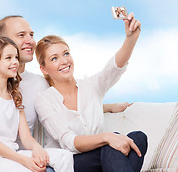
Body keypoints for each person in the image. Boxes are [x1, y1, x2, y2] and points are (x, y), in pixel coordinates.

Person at [0, 15, 131, 172]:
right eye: (21, 35)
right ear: (1, 42)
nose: (30, 41)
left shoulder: (38, 84)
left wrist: (107, 107)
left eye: (31, 34)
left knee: (92, 153)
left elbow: (64, 103)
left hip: (19, 158)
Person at [35, 13, 148, 172]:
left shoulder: (91, 86)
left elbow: (114, 68)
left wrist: (131, 39)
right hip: (71, 163)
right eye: (54, 58)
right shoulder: (44, 100)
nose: (64, 61)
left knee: (138, 137)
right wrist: (107, 137)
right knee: (112, 143)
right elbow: (69, 142)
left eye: (66, 53)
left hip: (103, 157)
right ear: (44, 69)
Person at [0, 36, 73, 172]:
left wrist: (37, 149)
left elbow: (26, 137)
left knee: (65, 156)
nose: (15, 62)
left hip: (12, 153)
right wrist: (25, 161)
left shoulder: (14, 94)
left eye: (16, 57)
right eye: (8, 58)